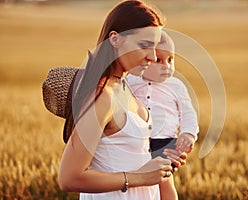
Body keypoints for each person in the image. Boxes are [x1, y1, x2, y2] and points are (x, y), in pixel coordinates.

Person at [57, 1, 187, 199]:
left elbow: (129, 153)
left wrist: (160, 158)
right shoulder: (102, 98)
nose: (153, 57)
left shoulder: (125, 86)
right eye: (145, 45)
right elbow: (69, 177)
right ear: (115, 39)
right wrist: (140, 177)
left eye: (154, 47)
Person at [127, 31, 199, 200]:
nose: (166, 65)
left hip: (165, 142)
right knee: (140, 180)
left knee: (164, 180)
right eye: (158, 60)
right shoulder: (130, 81)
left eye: (170, 59)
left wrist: (188, 134)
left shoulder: (176, 86)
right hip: (137, 140)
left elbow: (188, 113)